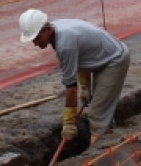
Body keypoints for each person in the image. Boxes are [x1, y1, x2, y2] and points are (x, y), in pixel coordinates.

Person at [18, 9, 130, 146]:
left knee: (96, 113)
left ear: (47, 29)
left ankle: (96, 154)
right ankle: (108, 135)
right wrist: (85, 85)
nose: (35, 43)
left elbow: (71, 87)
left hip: (114, 61)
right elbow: (81, 57)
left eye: (36, 38)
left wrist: (69, 122)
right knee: (101, 108)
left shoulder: (65, 44)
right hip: (103, 59)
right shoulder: (56, 29)